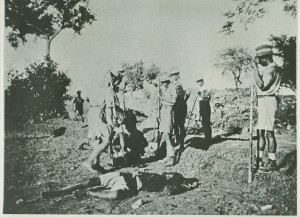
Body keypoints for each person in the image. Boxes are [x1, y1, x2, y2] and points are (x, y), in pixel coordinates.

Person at [40, 171, 198, 200]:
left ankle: (89, 193)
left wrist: (184, 188)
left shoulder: (173, 187)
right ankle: (57, 192)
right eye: (192, 183)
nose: (168, 174)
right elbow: (166, 175)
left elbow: (168, 192)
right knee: (89, 181)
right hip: (126, 175)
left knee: (114, 196)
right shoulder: (175, 176)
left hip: (131, 186)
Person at [82, 72, 125, 173]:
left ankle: (96, 164)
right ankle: (89, 161)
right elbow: (109, 108)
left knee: (98, 140)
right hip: (100, 114)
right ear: (114, 80)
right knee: (107, 140)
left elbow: (87, 99)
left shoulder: (96, 89)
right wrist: (110, 122)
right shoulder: (109, 91)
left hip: (92, 112)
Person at [252, 44, 281, 173]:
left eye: (260, 60)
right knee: (260, 131)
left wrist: (254, 68)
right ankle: (259, 159)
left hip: (269, 100)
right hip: (263, 100)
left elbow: (261, 85)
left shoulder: (271, 70)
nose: (259, 62)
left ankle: (272, 161)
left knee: (269, 132)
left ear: (264, 58)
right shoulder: (268, 69)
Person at [158, 75, 177, 165]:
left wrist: (162, 98)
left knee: (168, 133)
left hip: (169, 111)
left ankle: (171, 157)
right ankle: (168, 154)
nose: (162, 84)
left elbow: (173, 101)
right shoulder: (165, 89)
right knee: (165, 135)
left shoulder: (172, 87)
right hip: (164, 111)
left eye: (163, 82)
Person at [170, 68, 190, 150]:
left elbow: (188, 92)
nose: (173, 76)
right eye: (172, 75)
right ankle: (177, 140)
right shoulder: (172, 84)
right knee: (174, 125)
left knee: (181, 124)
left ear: (177, 75)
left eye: (174, 75)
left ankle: (181, 143)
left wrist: (184, 100)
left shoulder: (181, 82)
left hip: (181, 105)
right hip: (175, 105)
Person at [195, 75, 212, 145]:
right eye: (197, 82)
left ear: (202, 81)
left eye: (199, 81)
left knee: (206, 122)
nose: (198, 83)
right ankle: (206, 138)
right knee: (203, 122)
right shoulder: (199, 88)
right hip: (201, 105)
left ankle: (208, 139)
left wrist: (201, 94)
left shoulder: (207, 87)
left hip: (205, 105)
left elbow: (207, 97)